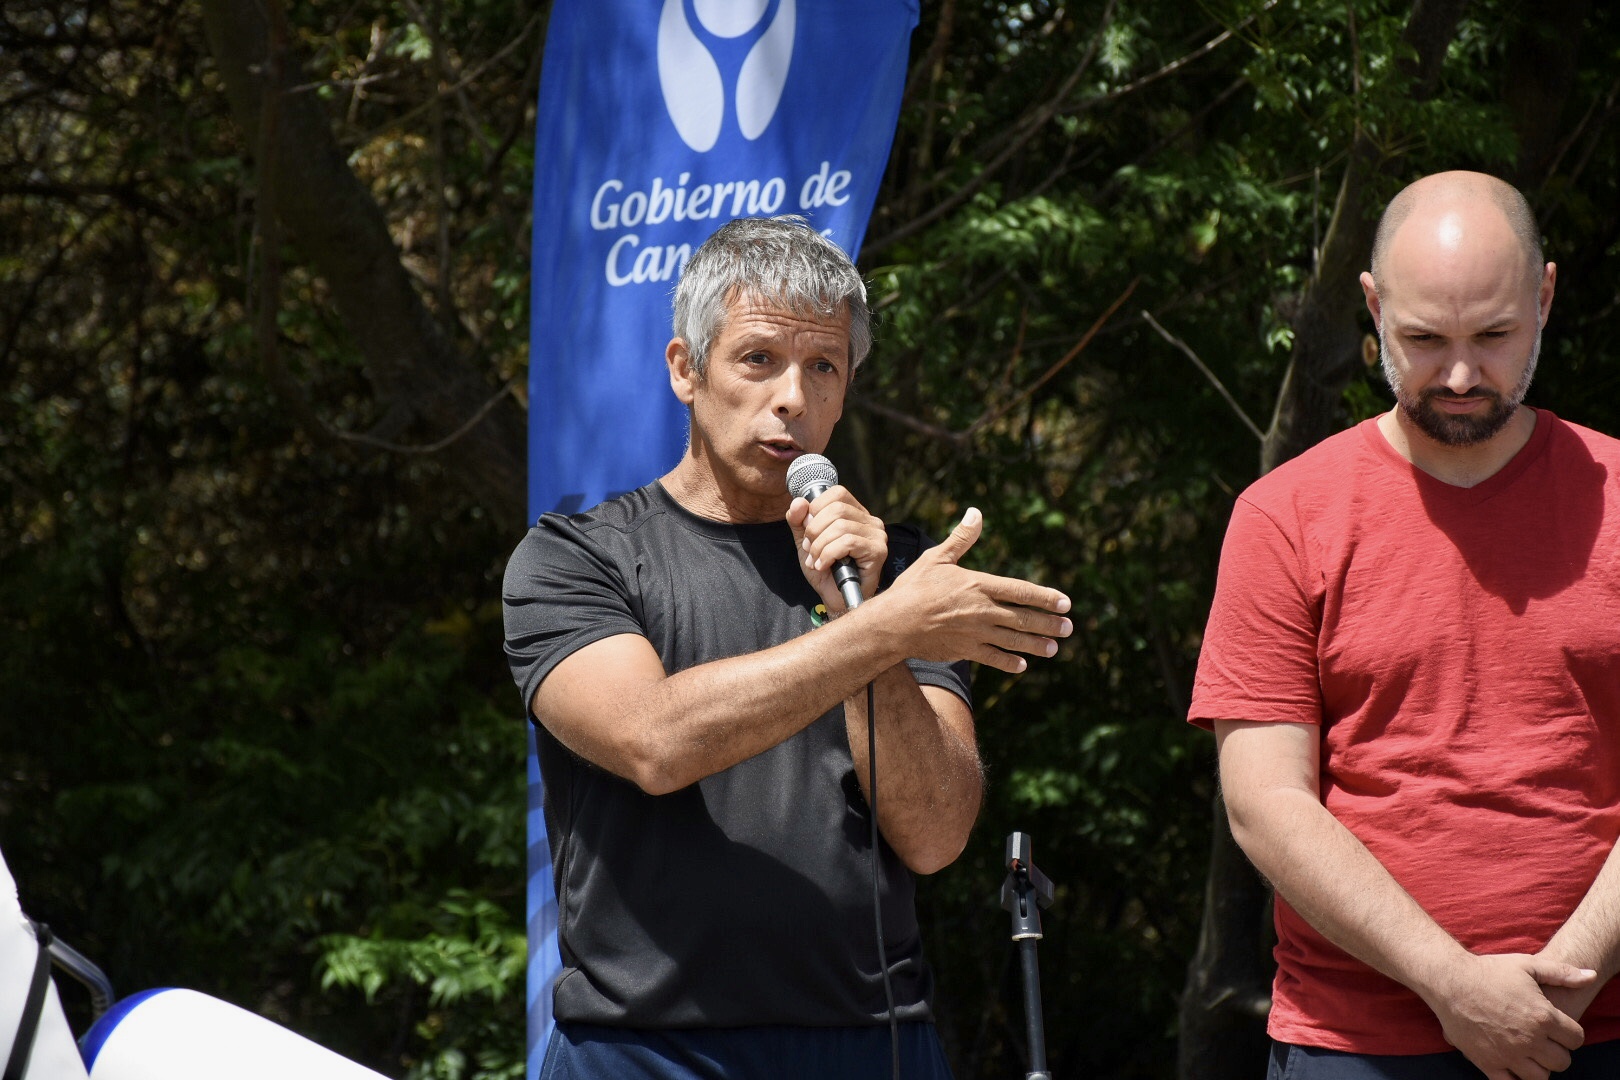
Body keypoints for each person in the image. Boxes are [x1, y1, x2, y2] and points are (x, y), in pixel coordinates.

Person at [503, 215, 1073, 1079]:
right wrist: (881, 629)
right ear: (686, 370)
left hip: (872, 1039)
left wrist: (865, 612)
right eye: (758, 359)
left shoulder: (891, 573)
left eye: (823, 368)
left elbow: (934, 835)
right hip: (645, 1048)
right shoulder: (577, 556)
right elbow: (655, 742)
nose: (793, 400)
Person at [1189, 169, 1620, 1080]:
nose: (1461, 374)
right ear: (1373, 307)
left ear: (1545, 296)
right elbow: (1264, 803)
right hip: (1355, 1047)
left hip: (1597, 1031)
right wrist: (1453, 984)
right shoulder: (1284, 516)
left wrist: (1561, 989)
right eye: (1424, 339)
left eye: (1496, 336)